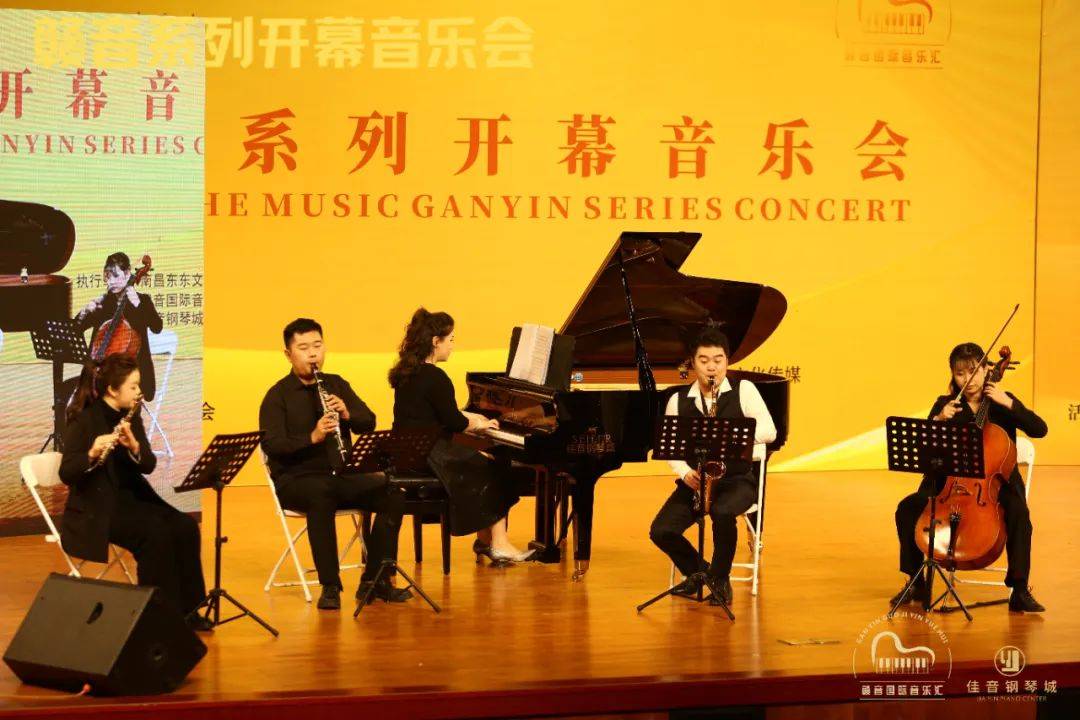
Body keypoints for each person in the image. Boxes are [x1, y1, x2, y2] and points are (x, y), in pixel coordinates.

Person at [260, 318, 409, 610]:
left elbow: (368, 422)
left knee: (393, 493)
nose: (313, 354)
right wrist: (312, 437)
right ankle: (330, 585)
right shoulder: (277, 396)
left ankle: (374, 580)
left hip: (341, 475)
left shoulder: (336, 384)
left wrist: (347, 412)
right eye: (304, 348)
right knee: (321, 492)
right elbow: (272, 445)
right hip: (296, 481)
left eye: (317, 345)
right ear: (288, 354)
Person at [892, 342, 1048, 613]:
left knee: (1019, 514)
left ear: (987, 370)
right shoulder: (947, 405)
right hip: (948, 485)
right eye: (960, 373)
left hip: (996, 485)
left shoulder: (1003, 402)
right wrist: (939, 420)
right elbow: (923, 448)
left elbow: (1040, 429)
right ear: (953, 376)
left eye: (974, 371)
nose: (969, 380)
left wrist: (1008, 402)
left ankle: (1020, 589)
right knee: (907, 509)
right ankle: (916, 582)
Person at [59, 354, 210, 631]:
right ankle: (157, 616)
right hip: (99, 508)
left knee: (186, 526)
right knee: (154, 534)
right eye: (133, 386)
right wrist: (91, 453)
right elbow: (67, 472)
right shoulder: (85, 419)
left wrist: (135, 447)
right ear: (112, 390)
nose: (139, 391)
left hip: (134, 499)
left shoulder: (131, 415)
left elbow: (148, 465)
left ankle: (190, 610)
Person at [390, 308, 533, 564]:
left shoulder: (408, 373)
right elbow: (454, 422)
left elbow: (438, 412)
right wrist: (480, 425)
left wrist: (475, 419)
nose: (453, 346)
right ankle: (498, 543)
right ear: (436, 342)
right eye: (451, 339)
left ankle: (485, 541)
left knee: (485, 460)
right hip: (430, 454)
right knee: (494, 466)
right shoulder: (436, 376)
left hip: (408, 452)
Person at [648, 325, 776, 606]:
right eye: (704, 360)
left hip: (737, 480)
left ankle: (720, 579)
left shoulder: (744, 390)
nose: (712, 367)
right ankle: (702, 573)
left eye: (718, 360)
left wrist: (731, 437)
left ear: (727, 361)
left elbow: (769, 431)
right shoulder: (678, 400)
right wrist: (685, 473)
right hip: (696, 481)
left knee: (722, 511)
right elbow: (671, 449)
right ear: (693, 363)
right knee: (661, 531)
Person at [75, 252, 163, 401]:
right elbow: (77, 328)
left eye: (115, 276)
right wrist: (85, 311)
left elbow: (157, 327)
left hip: (133, 375)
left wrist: (137, 303)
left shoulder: (142, 301)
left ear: (128, 273)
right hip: (101, 375)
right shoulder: (103, 302)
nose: (111, 281)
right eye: (108, 277)